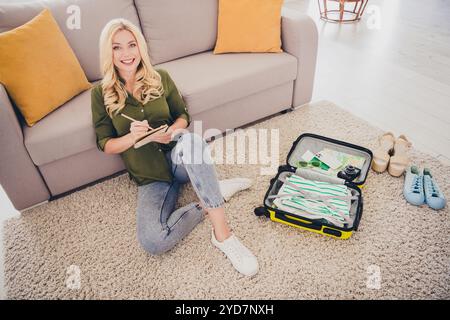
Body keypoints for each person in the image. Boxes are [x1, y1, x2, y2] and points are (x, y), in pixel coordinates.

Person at [91, 19, 258, 276]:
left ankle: (223, 235)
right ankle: (211, 194)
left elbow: (183, 116)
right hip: (151, 177)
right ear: (108, 52)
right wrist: (131, 138)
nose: (126, 54)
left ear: (140, 47)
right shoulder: (100, 93)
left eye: (131, 45)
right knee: (154, 241)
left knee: (192, 140)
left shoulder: (161, 77)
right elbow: (105, 144)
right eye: (117, 47)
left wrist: (171, 132)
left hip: (178, 157)